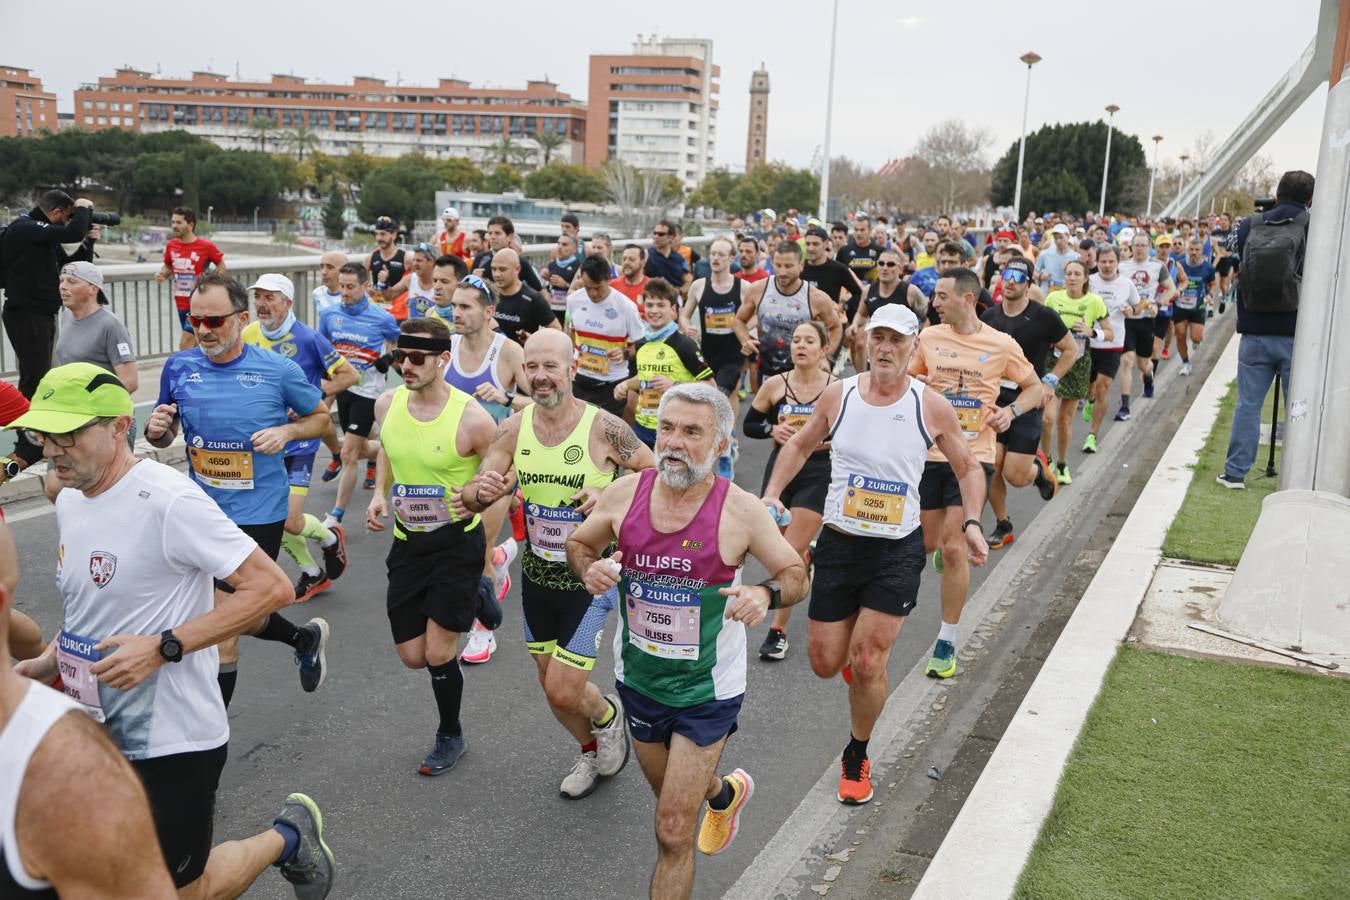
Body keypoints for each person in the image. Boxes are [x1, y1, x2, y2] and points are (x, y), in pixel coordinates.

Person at [10, 363, 335, 898]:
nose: (51, 450)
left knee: (182, 892)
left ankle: (288, 839)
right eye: (43, 435)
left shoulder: (169, 500)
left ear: (119, 426)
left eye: (66, 434)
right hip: (93, 732)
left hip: (171, 740)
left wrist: (164, 647)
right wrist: (52, 658)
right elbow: (95, 601)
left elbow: (270, 588)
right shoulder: (68, 498)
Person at [566, 382, 807, 900]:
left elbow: (795, 573)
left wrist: (764, 593)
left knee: (673, 830)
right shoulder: (625, 494)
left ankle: (704, 802)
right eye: (667, 428)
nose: (674, 442)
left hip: (706, 692)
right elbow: (580, 544)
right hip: (639, 680)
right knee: (677, 799)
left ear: (720, 445)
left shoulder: (740, 510)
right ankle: (723, 792)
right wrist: (589, 570)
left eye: (692, 432)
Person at [763, 303, 987, 804]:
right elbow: (799, 445)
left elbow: (969, 467)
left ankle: (857, 752)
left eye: (897, 341)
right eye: (878, 338)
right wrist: (773, 493)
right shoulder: (838, 395)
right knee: (825, 662)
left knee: (867, 661)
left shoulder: (930, 405)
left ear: (913, 348)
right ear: (865, 342)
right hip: (840, 544)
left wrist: (972, 521)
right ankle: (860, 673)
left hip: (896, 550)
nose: (885, 349)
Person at [463, 328, 654, 798]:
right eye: (532, 367)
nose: (541, 376)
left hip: (591, 576)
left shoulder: (605, 427)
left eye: (551, 366)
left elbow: (653, 475)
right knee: (549, 680)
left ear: (572, 369)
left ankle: (608, 714)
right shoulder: (514, 427)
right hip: (537, 575)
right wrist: (480, 492)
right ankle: (590, 748)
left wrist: (609, 494)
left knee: (564, 690)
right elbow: (476, 491)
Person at [146, 273, 333, 703]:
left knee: (221, 626)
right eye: (195, 320)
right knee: (224, 612)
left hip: (258, 514)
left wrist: (287, 432)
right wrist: (157, 430)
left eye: (214, 321)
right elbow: (164, 429)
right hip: (199, 510)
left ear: (242, 319)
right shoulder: (179, 367)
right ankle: (303, 639)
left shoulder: (277, 370)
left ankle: (211, 732)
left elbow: (321, 418)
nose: (203, 330)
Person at [365, 317, 499, 776]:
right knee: (412, 657)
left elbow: (504, 472)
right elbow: (389, 448)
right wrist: (379, 493)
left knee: (439, 654)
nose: (406, 366)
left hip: (456, 547)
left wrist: (479, 501)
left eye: (417, 358)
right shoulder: (387, 405)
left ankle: (450, 734)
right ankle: (479, 595)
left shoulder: (472, 418)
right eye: (400, 357)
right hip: (408, 545)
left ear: (443, 359)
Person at [911, 267, 1040, 678]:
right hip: (930, 454)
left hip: (974, 457)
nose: (935, 303)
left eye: (942, 296)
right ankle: (942, 546)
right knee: (926, 543)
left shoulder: (1001, 344)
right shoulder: (929, 338)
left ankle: (946, 642)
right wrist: (918, 383)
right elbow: (908, 378)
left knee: (954, 547)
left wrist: (1010, 412)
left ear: (967, 299)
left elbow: (1036, 388)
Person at [242, 274, 357, 602]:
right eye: (258, 297)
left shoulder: (308, 338)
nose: (262, 304)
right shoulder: (248, 334)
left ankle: (329, 538)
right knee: (272, 517)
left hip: (301, 438)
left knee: (291, 520)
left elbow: (349, 375)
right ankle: (311, 572)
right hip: (266, 439)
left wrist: (311, 397)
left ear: (288, 303)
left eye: (270, 298)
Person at [443, 274, 531, 664]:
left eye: (465, 307)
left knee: (476, 547)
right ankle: (499, 560)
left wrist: (506, 397)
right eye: (454, 306)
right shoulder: (446, 348)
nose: (456, 313)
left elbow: (545, 402)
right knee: (459, 545)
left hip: (497, 465)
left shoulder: (508, 352)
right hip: (452, 464)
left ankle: (483, 631)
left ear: (489, 312)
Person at [744, 320, 835, 661]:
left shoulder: (836, 389)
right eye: (796, 340)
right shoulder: (775, 384)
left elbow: (852, 431)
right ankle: (806, 560)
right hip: (782, 468)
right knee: (778, 547)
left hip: (819, 471)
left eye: (809, 341)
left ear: (823, 349)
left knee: (790, 550)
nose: (800, 346)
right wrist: (773, 429)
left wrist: (821, 439)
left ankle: (777, 631)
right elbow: (750, 424)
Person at [1218, 170, 1313, 489]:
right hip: (1297, 333)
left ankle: (1235, 473)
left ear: (1277, 193)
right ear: (1310, 199)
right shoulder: (1313, 226)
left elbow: (1231, 248)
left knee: (1248, 404)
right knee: (1297, 408)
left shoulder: (1249, 225)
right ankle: (1297, 479)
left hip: (1254, 331)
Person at [979, 257, 1077, 549]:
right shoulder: (989, 318)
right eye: (1007, 275)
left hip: (1028, 400)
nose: (1010, 281)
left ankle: (1037, 471)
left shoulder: (1044, 316)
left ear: (1029, 283)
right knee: (991, 465)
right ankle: (1003, 524)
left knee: (1015, 475)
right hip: (995, 403)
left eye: (1018, 277)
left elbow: (1070, 350)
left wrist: (1050, 381)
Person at [318, 262, 401, 525]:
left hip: (368, 392)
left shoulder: (382, 318)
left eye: (351, 287)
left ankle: (336, 516)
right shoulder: (329, 315)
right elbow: (322, 349)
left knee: (348, 453)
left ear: (365, 286)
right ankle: (390, 451)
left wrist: (388, 359)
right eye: (342, 286)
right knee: (362, 448)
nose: (344, 292)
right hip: (343, 388)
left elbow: (400, 345)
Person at [0, 190, 97, 398]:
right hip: (26, 313)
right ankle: (28, 418)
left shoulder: (41, 235)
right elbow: (72, 233)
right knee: (35, 379)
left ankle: (31, 417)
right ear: (56, 212)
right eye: (68, 216)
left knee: (39, 376)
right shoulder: (25, 228)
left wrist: (88, 243)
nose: (68, 222)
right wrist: (83, 206)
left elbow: (68, 267)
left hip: (41, 313)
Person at [615, 278, 714, 447]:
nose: (654, 310)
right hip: (643, 427)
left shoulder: (684, 345)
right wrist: (625, 385)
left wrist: (674, 385)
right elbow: (645, 377)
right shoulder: (642, 343)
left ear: (674, 310)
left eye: (661, 305)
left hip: (676, 430)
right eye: (650, 305)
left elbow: (711, 386)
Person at [1041, 260, 1111, 484]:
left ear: (1085, 278)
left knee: (1064, 420)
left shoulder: (1094, 302)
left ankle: (1062, 464)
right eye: (1068, 273)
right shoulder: (1053, 299)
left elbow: (1110, 333)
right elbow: (1041, 327)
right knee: (1047, 418)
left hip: (1078, 364)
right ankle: (1046, 461)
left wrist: (1092, 332)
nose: (1071, 278)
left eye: (1076, 274)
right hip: (1053, 363)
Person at [734, 243, 842, 380]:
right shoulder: (758, 289)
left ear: (801, 265)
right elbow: (739, 320)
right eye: (778, 265)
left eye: (788, 266)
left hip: (803, 371)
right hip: (766, 368)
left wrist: (824, 357)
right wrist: (745, 340)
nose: (782, 272)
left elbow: (835, 327)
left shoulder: (816, 298)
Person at [567, 255, 645, 417]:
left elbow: (642, 347)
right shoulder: (574, 300)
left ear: (609, 279)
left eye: (598, 287)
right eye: (588, 288)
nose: (593, 293)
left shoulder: (626, 307)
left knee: (606, 430)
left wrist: (624, 354)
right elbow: (571, 333)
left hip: (611, 384)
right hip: (580, 380)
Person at [1082, 245, 1139, 453]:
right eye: (1103, 261)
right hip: (1088, 342)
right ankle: (1089, 400)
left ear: (1118, 262)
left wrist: (1131, 310)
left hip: (1113, 343)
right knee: (1090, 387)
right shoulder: (1089, 282)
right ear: (1097, 262)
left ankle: (1092, 435)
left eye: (1111, 261)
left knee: (1102, 387)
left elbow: (1137, 306)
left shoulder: (1126, 284)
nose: (1107, 265)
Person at [54, 261, 139, 396]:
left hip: (98, 407)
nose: (63, 286)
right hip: (70, 403)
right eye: (61, 280)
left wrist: (88, 401)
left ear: (93, 289)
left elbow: (130, 382)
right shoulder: (67, 316)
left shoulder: (111, 325)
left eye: (72, 281)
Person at [1118, 232, 1177, 414]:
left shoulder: (1157, 266)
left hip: (1146, 320)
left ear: (1149, 247)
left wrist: (1158, 304)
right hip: (1126, 320)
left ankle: (1149, 376)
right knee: (1126, 360)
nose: (1140, 249)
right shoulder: (1121, 266)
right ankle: (1125, 406)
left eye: (1143, 245)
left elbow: (1171, 289)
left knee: (1144, 364)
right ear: (1132, 246)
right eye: (1137, 245)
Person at [156, 207, 225, 351]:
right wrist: (162, 274)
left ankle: (184, 367)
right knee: (197, 346)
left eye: (179, 222)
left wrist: (210, 285)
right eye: (173, 222)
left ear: (190, 225)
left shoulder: (206, 246)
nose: (174, 226)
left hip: (199, 304)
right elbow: (168, 266)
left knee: (185, 344)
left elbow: (221, 266)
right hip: (180, 302)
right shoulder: (171, 245)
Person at [848, 249, 928, 373]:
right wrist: (854, 325)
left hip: (902, 341)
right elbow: (861, 314)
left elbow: (927, 316)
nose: (885, 268)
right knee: (859, 338)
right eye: (881, 263)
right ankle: (862, 376)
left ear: (900, 269)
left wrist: (920, 336)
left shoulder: (910, 291)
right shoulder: (868, 290)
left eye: (890, 264)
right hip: (879, 339)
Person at [487, 248, 559, 342]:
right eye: (493, 269)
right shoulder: (488, 294)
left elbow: (557, 329)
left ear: (517, 269)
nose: (497, 274)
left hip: (520, 351)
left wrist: (533, 339)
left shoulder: (532, 298)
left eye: (502, 269)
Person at [1172, 238, 1218, 378]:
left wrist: (1210, 295)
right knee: (1180, 334)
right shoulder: (1179, 265)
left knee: (1197, 337)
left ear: (1202, 251)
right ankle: (1186, 363)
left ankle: (1196, 341)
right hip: (1180, 306)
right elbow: (1172, 282)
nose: (1193, 252)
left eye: (1197, 250)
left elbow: (1213, 284)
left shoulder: (1208, 268)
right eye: (1191, 249)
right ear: (1187, 250)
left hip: (1198, 306)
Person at [473, 216, 544, 292]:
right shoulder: (480, 258)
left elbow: (540, 291)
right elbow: (469, 290)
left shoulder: (520, 262)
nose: (493, 237)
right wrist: (474, 279)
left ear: (509, 237)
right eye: (490, 233)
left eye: (497, 233)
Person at [368, 216, 408, 306]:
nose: (379, 238)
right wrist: (367, 289)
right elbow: (362, 282)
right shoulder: (371, 257)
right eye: (376, 234)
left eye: (383, 234)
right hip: (378, 308)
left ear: (394, 235)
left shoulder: (405, 258)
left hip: (398, 309)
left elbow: (415, 282)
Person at [644, 220, 692, 293]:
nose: (656, 236)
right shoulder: (646, 255)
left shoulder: (679, 259)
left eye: (661, 234)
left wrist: (679, 291)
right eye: (654, 233)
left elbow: (689, 281)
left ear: (671, 237)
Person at [546, 232, 584, 322]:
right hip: (553, 312)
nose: (560, 247)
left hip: (570, 312)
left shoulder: (579, 266)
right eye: (558, 243)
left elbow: (582, 291)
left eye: (564, 244)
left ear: (574, 249)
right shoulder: (551, 265)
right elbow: (548, 288)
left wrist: (565, 285)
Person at [836, 215, 882, 287]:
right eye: (856, 230)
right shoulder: (844, 251)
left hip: (873, 291)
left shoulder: (880, 251)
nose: (858, 233)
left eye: (862, 230)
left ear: (870, 231)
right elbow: (838, 276)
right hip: (850, 291)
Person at [1033, 224, 1077, 290]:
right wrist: (1040, 276)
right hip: (1047, 292)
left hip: (1065, 293)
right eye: (1056, 238)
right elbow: (1034, 271)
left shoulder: (1075, 257)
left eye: (1061, 237)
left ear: (1067, 236)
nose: (1058, 241)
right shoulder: (1045, 254)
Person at [403, 243, 438, 319]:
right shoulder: (410, 278)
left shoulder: (441, 283)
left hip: (432, 326)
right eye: (414, 260)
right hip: (412, 326)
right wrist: (383, 283)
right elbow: (389, 296)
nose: (415, 264)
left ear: (431, 262)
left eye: (419, 260)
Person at [612, 244, 650, 311]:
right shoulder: (612, 286)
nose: (626, 262)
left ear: (643, 263)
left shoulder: (652, 287)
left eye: (631, 259)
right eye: (624, 259)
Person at [312, 251, 346, 315]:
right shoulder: (317, 293)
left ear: (344, 270)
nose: (324, 272)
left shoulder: (352, 295)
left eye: (330, 267)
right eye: (322, 267)